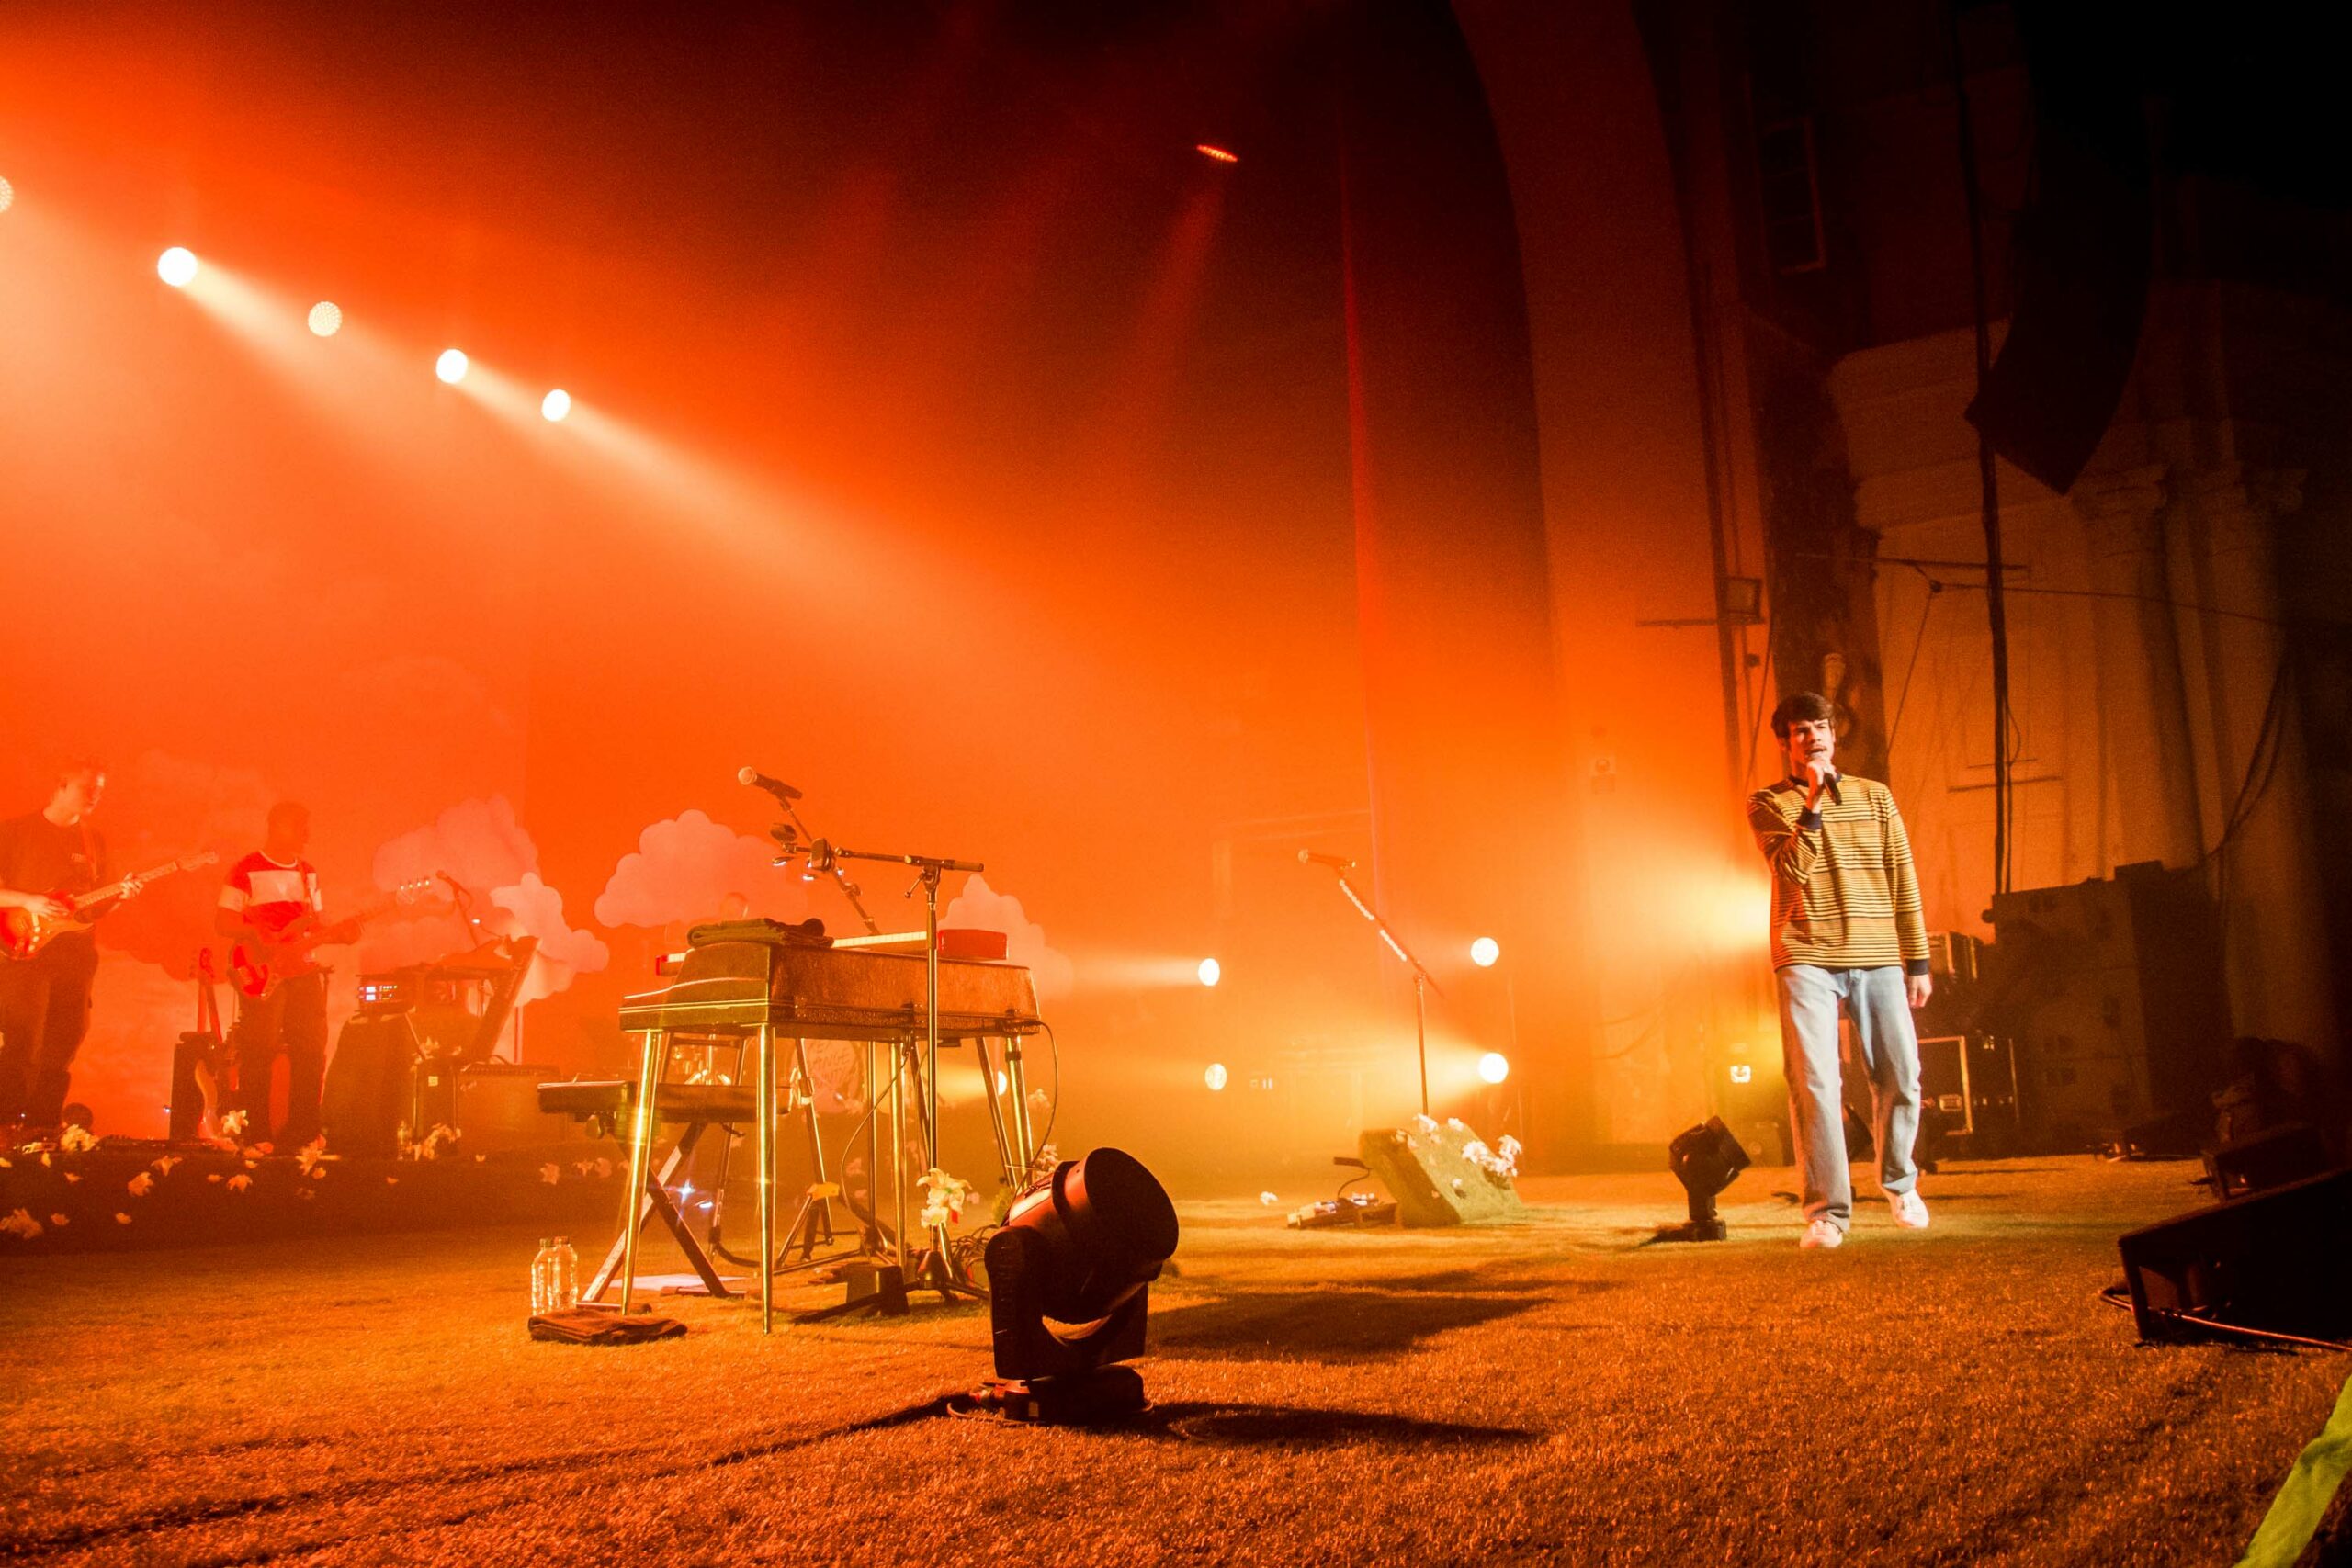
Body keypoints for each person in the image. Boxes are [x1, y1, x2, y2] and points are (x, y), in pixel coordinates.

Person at [1747, 692, 1933, 1249]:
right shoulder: (1768, 802)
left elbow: (1904, 874)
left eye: (1820, 727)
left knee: (1901, 1073)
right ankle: (1827, 1212)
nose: (1813, 737)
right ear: (1785, 743)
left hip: (1876, 951)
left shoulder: (1877, 798)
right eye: (1800, 731)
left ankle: (1900, 1182)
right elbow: (1790, 870)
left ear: (1835, 733)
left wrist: (1917, 958)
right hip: (1805, 952)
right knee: (1815, 1083)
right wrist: (1814, 803)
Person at [0, 763, 142, 1134]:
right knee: (22, 1042)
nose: (95, 794)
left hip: (75, 956)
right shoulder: (14, 831)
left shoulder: (93, 841)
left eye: (100, 789)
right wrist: (29, 901)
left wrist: (119, 897)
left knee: (64, 1041)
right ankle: (5, 1126)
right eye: (87, 787)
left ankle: (43, 1127)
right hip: (24, 953)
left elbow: (91, 908)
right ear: (61, 785)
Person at [218, 803, 356, 1151]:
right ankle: (256, 1132)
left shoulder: (309, 874)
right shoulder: (245, 869)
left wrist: (342, 934)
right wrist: (256, 932)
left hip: (303, 968)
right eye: (301, 827)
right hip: (262, 971)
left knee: (311, 1047)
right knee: (259, 1048)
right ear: (278, 826)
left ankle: (304, 1132)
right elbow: (224, 922)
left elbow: (316, 925)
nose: (308, 835)